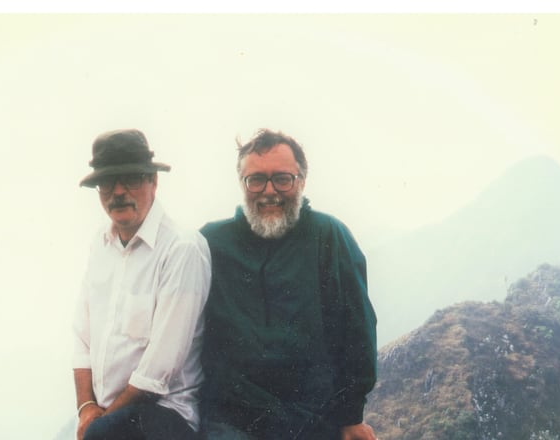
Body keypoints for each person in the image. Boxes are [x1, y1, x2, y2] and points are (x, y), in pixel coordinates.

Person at [199, 129, 378, 440]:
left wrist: (351, 416)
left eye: (283, 179)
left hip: (311, 419)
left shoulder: (329, 236)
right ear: (242, 184)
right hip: (231, 420)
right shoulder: (211, 243)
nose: (269, 191)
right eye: (256, 180)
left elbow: (358, 329)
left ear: (302, 180)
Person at [72, 129, 211, 440]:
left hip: (166, 415)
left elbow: (159, 371)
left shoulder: (182, 248)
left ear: (153, 181)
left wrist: (99, 427)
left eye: (131, 178)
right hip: (109, 417)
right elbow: (81, 338)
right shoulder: (100, 245)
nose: (118, 191)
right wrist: (86, 410)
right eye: (107, 181)